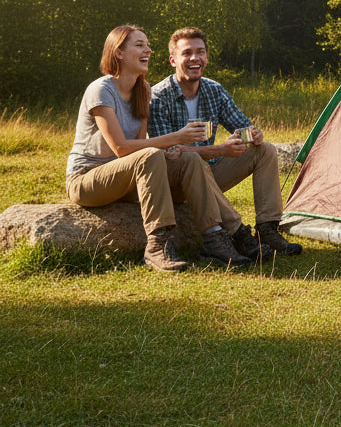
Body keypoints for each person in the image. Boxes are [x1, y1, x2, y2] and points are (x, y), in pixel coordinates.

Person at [66, 25, 255, 272]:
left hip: (126, 178)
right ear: (119, 52)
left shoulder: (143, 90)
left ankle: (213, 237)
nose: (148, 50)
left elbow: (141, 145)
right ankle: (157, 244)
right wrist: (175, 138)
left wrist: (171, 152)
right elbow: (122, 148)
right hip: (88, 178)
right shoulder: (101, 89)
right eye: (139, 45)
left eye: (148, 45)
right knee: (153, 154)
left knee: (189, 160)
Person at [149, 27, 301, 258]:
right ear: (173, 60)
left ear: (206, 58)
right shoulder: (158, 96)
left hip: (209, 172)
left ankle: (267, 229)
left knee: (265, 150)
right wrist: (220, 149)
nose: (194, 58)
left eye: (200, 52)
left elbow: (242, 126)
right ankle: (238, 233)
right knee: (192, 161)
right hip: (177, 183)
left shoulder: (213, 90)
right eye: (187, 53)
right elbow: (171, 153)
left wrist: (253, 134)